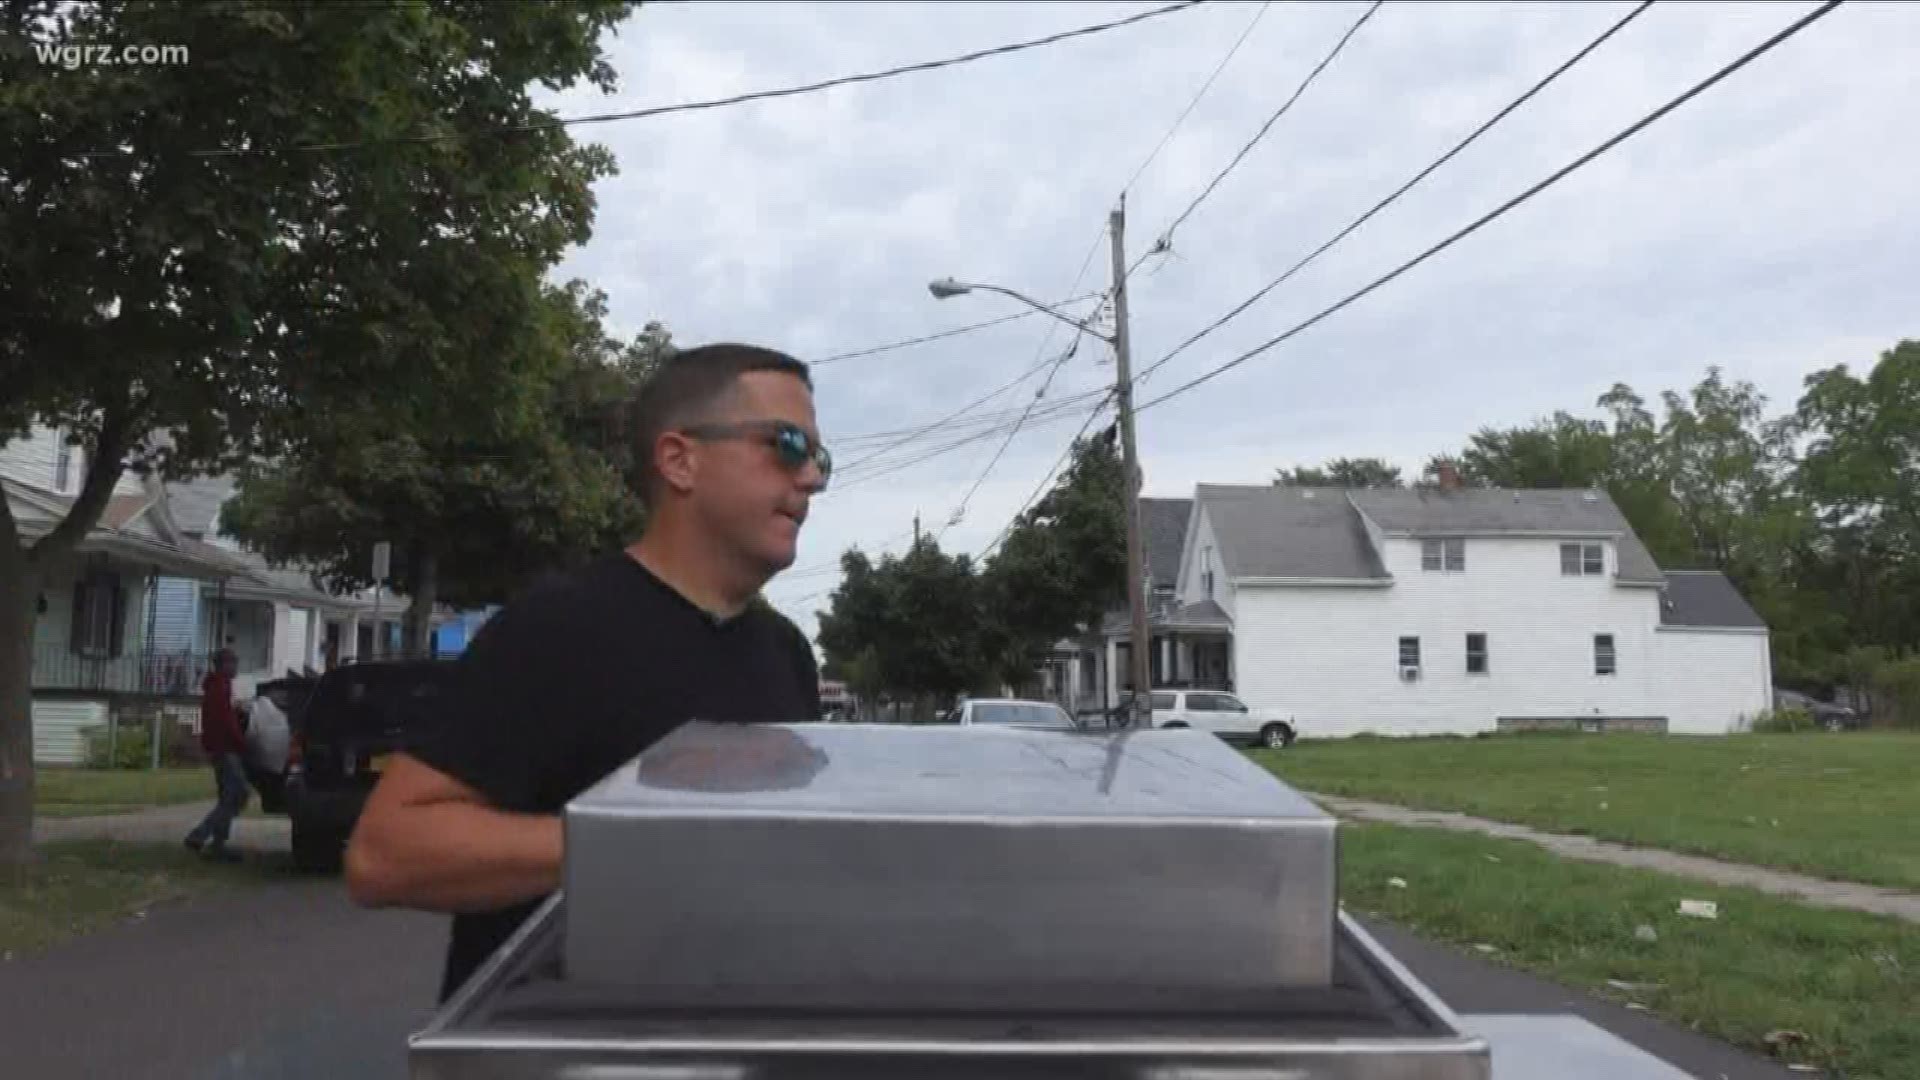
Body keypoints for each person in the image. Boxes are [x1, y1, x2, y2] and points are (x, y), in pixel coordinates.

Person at [345, 343, 829, 1003]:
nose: (812, 480)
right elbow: (386, 853)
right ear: (679, 460)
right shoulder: (559, 629)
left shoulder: (788, 653)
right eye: (789, 446)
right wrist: (634, 840)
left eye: (821, 460)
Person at [184, 649, 248, 862]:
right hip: (226, 749)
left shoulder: (217, 686)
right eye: (233, 663)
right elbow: (224, 722)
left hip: (218, 748)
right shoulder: (219, 687)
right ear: (224, 665)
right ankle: (200, 835)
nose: (236, 668)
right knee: (238, 794)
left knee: (227, 798)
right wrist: (241, 743)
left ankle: (218, 845)